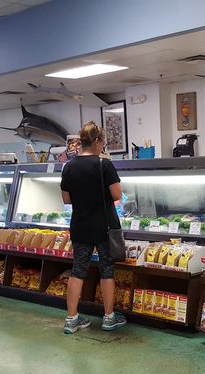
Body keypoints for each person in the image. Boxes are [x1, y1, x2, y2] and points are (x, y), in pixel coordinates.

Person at [60, 121, 127, 334]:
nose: (103, 147)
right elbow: (117, 195)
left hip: (80, 224)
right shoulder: (104, 165)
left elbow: (67, 199)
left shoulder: (68, 166)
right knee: (106, 269)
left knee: (78, 270)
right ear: (97, 141)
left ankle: (71, 319)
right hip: (104, 225)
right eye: (103, 143)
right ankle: (109, 318)